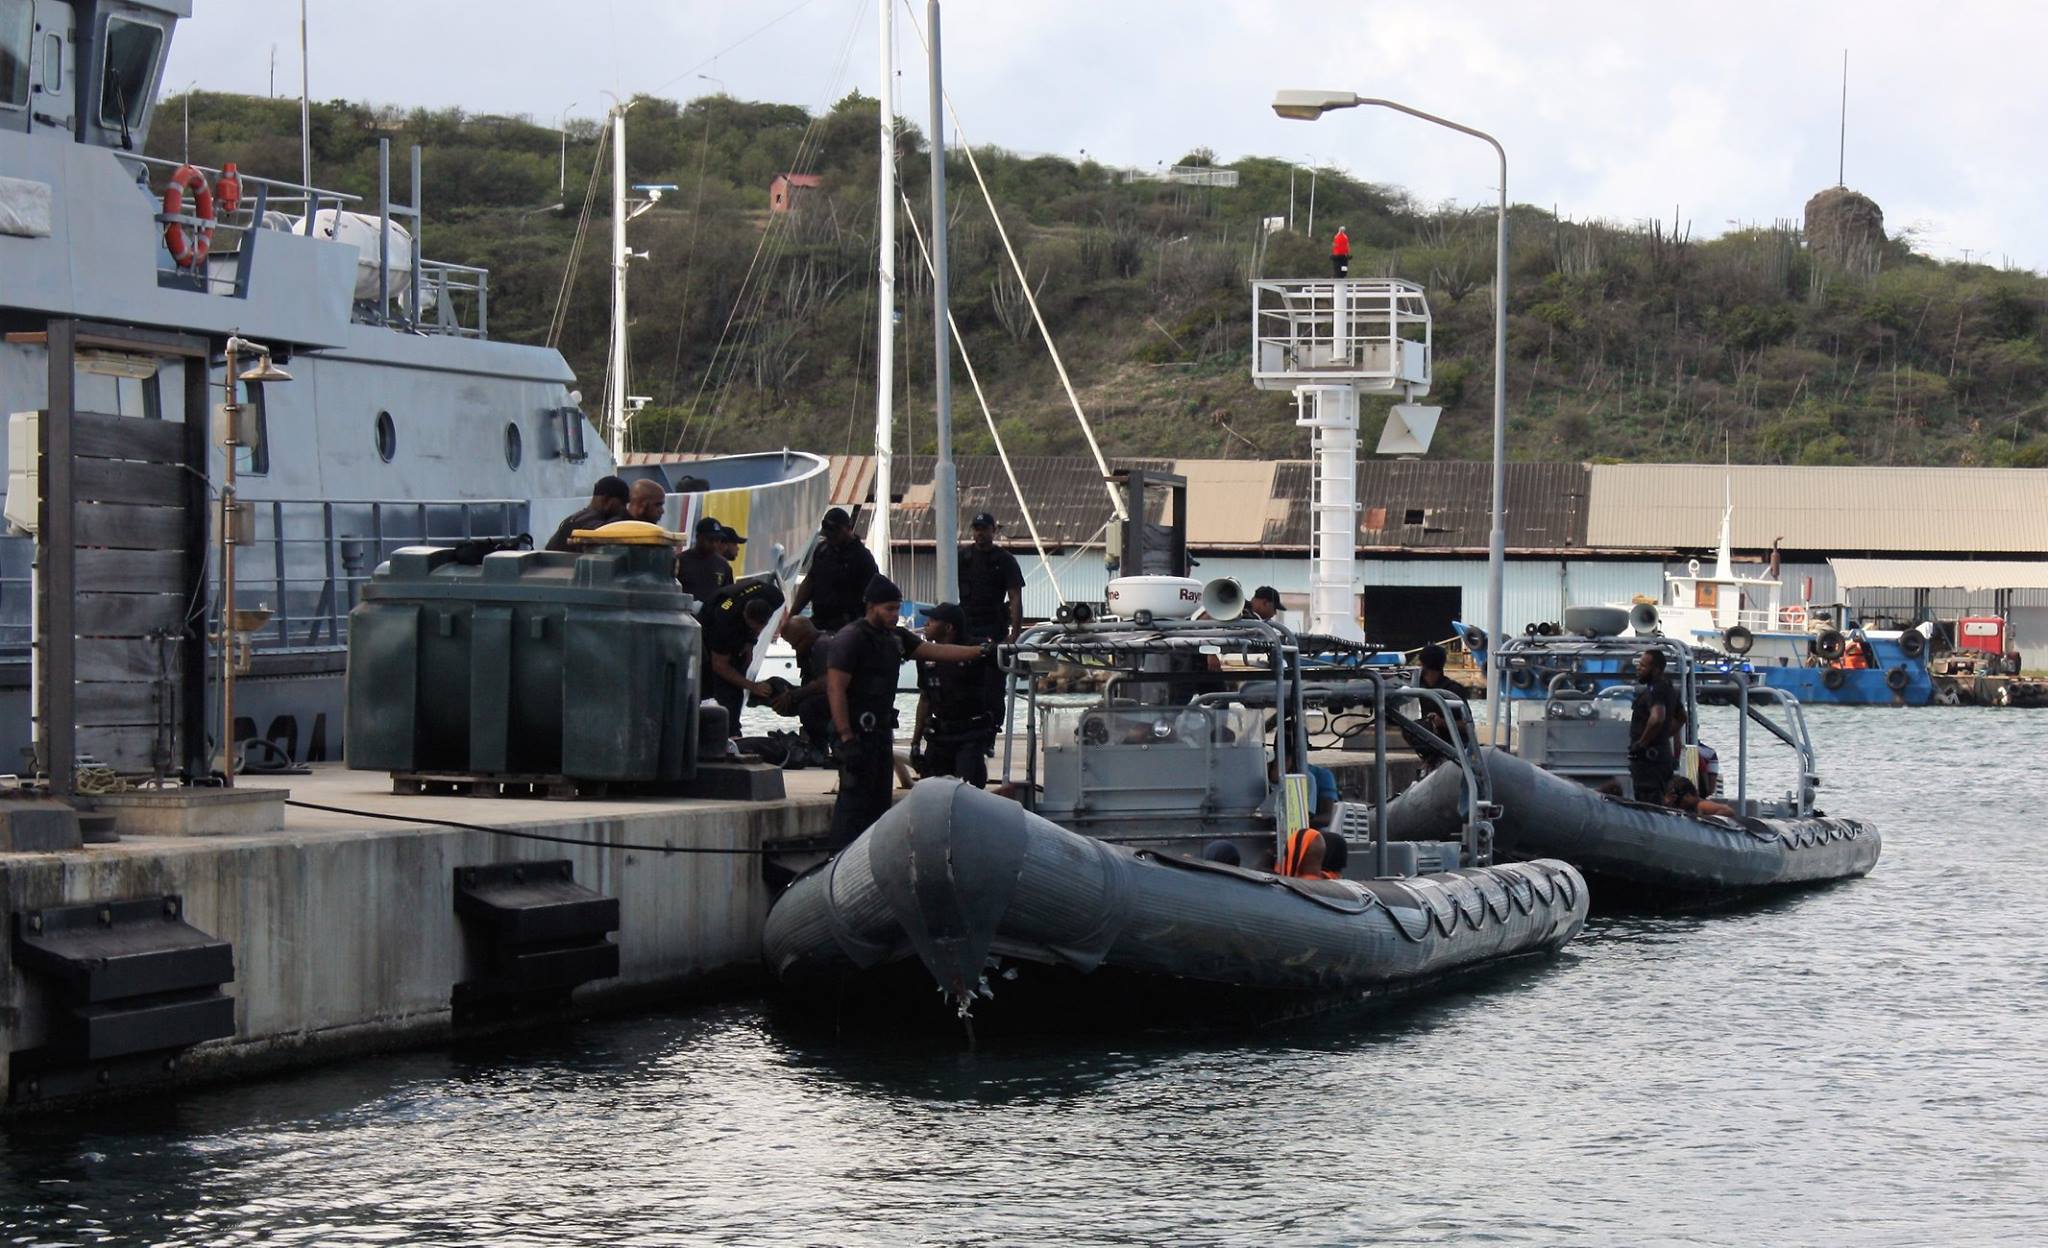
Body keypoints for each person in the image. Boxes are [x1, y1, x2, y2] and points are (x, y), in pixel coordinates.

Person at [826, 575, 991, 848]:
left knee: (879, 800)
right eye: (889, 609)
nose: (895, 615)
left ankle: (869, 855)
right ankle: (837, 856)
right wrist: (845, 737)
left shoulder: (896, 638)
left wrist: (980, 651)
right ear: (871, 606)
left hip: (879, 733)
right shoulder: (851, 638)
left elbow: (936, 651)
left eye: (897, 608)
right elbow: (835, 690)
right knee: (854, 801)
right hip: (854, 733)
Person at [910, 602, 1002, 787]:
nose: (926, 623)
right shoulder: (926, 655)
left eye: (933, 620)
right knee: (930, 791)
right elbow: (925, 699)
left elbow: (1000, 680)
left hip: (970, 734)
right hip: (939, 734)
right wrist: (915, 743)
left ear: (949, 627)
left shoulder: (978, 650)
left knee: (967, 790)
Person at [791, 507, 879, 634]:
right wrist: (792, 616)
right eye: (828, 533)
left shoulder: (862, 558)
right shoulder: (823, 550)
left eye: (835, 532)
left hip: (848, 627)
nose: (830, 537)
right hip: (820, 622)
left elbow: (874, 597)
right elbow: (810, 582)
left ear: (848, 529)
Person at [699, 596, 778, 731]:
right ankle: (727, 730)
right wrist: (752, 686)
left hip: (736, 640)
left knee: (733, 691)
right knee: (720, 691)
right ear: (744, 615)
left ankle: (732, 728)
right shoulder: (722, 624)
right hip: (706, 636)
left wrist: (751, 642)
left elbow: (757, 626)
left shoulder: (774, 596)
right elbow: (719, 665)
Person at [1400, 643, 1471, 771]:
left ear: (1423, 665)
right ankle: (1429, 760)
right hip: (1432, 745)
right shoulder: (1419, 684)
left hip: (1455, 747)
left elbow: (1467, 726)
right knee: (1410, 728)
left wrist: (1442, 722)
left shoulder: (1453, 690)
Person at [1628, 648, 1686, 802]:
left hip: (1649, 762)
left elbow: (1657, 717)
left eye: (1643, 666)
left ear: (1655, 670)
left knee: (1648, 800)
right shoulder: (1667, 688)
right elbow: (1681, 717)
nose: (1638, 668)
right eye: (1638, 664)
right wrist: (1663, 734)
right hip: (1661, 756)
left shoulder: (1656, 690)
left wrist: (1642, 744)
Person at [958, 513, 1025, 644]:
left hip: (994, 626)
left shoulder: (1005, 560)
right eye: (977, 529)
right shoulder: (962, 557)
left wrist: (1015, 633)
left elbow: (1015, 597)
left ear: (993, 530)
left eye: (984, 529)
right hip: (967, 624)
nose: (980, 533)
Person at [769, 616, 834, 748]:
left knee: (808, 706)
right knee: (775, 685)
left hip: (842, 696)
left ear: (806, 636)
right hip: (828, 693)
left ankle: (819, 746)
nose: (795, 649)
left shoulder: (822, 645)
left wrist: (793, 696)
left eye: (795, 645)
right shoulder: (811, 647)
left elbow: (825, 683)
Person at [544, 476, 630, 551]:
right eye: (622, 504)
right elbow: (603, 533)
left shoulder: (582, 517)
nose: (623, 508)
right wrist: (629, 515)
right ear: (606, 500)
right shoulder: (585, 521)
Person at [675, 516, 732, 604]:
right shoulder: (680, 561)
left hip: (711, 616)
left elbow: (729, 597)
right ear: (698, 537)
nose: (714, 544)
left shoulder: (723, 565)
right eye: (710, 540)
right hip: (685, 614)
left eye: (717, 540)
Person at [1664, 775, 1735, 819]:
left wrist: (1705, 820)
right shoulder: (1687, 808)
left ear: (1688, 796)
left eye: (1677, 802)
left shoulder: (1701, 805)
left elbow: (1728, 811)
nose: (1676, 805)